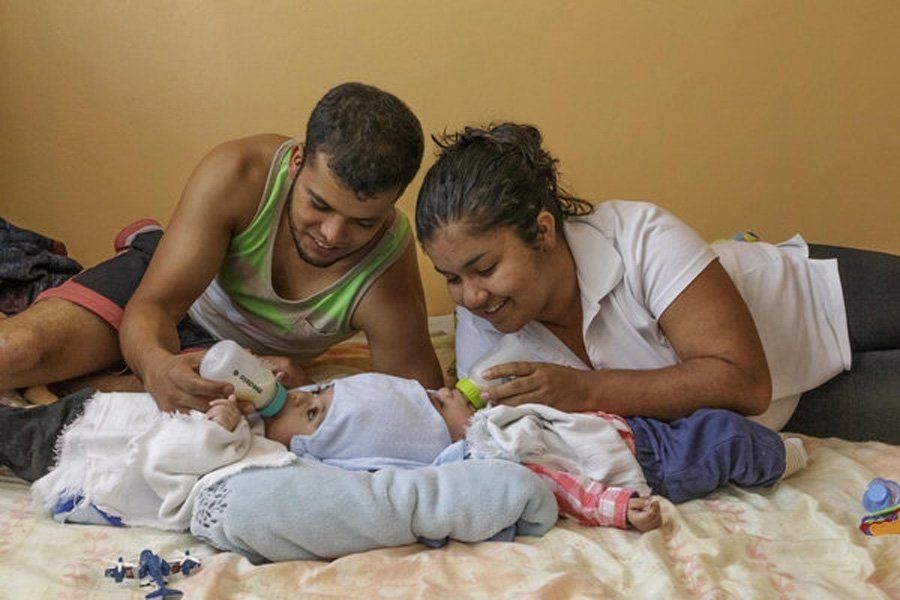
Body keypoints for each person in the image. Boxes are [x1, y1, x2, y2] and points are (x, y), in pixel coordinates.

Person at [414, 122, 900, 443]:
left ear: (542, 232)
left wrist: (584, 391)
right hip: (782, 410)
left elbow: (741, 379)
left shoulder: (640, 236)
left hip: (821, 303)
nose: (471, 296)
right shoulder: (481, 327)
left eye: (485, 268)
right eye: (451, 278)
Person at [0, 82, 444, 412]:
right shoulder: (239, 174)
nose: (331, 234)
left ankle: (85, 378)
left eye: (363, 222)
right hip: (166, 293)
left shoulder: (385, 270)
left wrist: (311, 391)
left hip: (235, 362)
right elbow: (154, 305)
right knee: (15, 352)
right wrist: (157, 367)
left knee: (203, 415)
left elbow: (421, 406)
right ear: (296, 162)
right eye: (319, 204)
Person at [283, 372, 806, 532]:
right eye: (437, 402)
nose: (446, 389)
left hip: (626, 431)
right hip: (649, 465)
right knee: (724, 436)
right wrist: (618, 509)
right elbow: (560, 486)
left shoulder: (486, 423)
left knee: (704, 422)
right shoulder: (491, 454)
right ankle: (783, 458)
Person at [22, 384, 328, 530]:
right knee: (37, 418)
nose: (301, 397)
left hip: (84, 450)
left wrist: (220, 431)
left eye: (312, 413)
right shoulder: (256, 415)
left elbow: (171, 458)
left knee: (22, 432)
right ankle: (33, 399)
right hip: (100, 413)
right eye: (319, 390)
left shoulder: (263, 459)